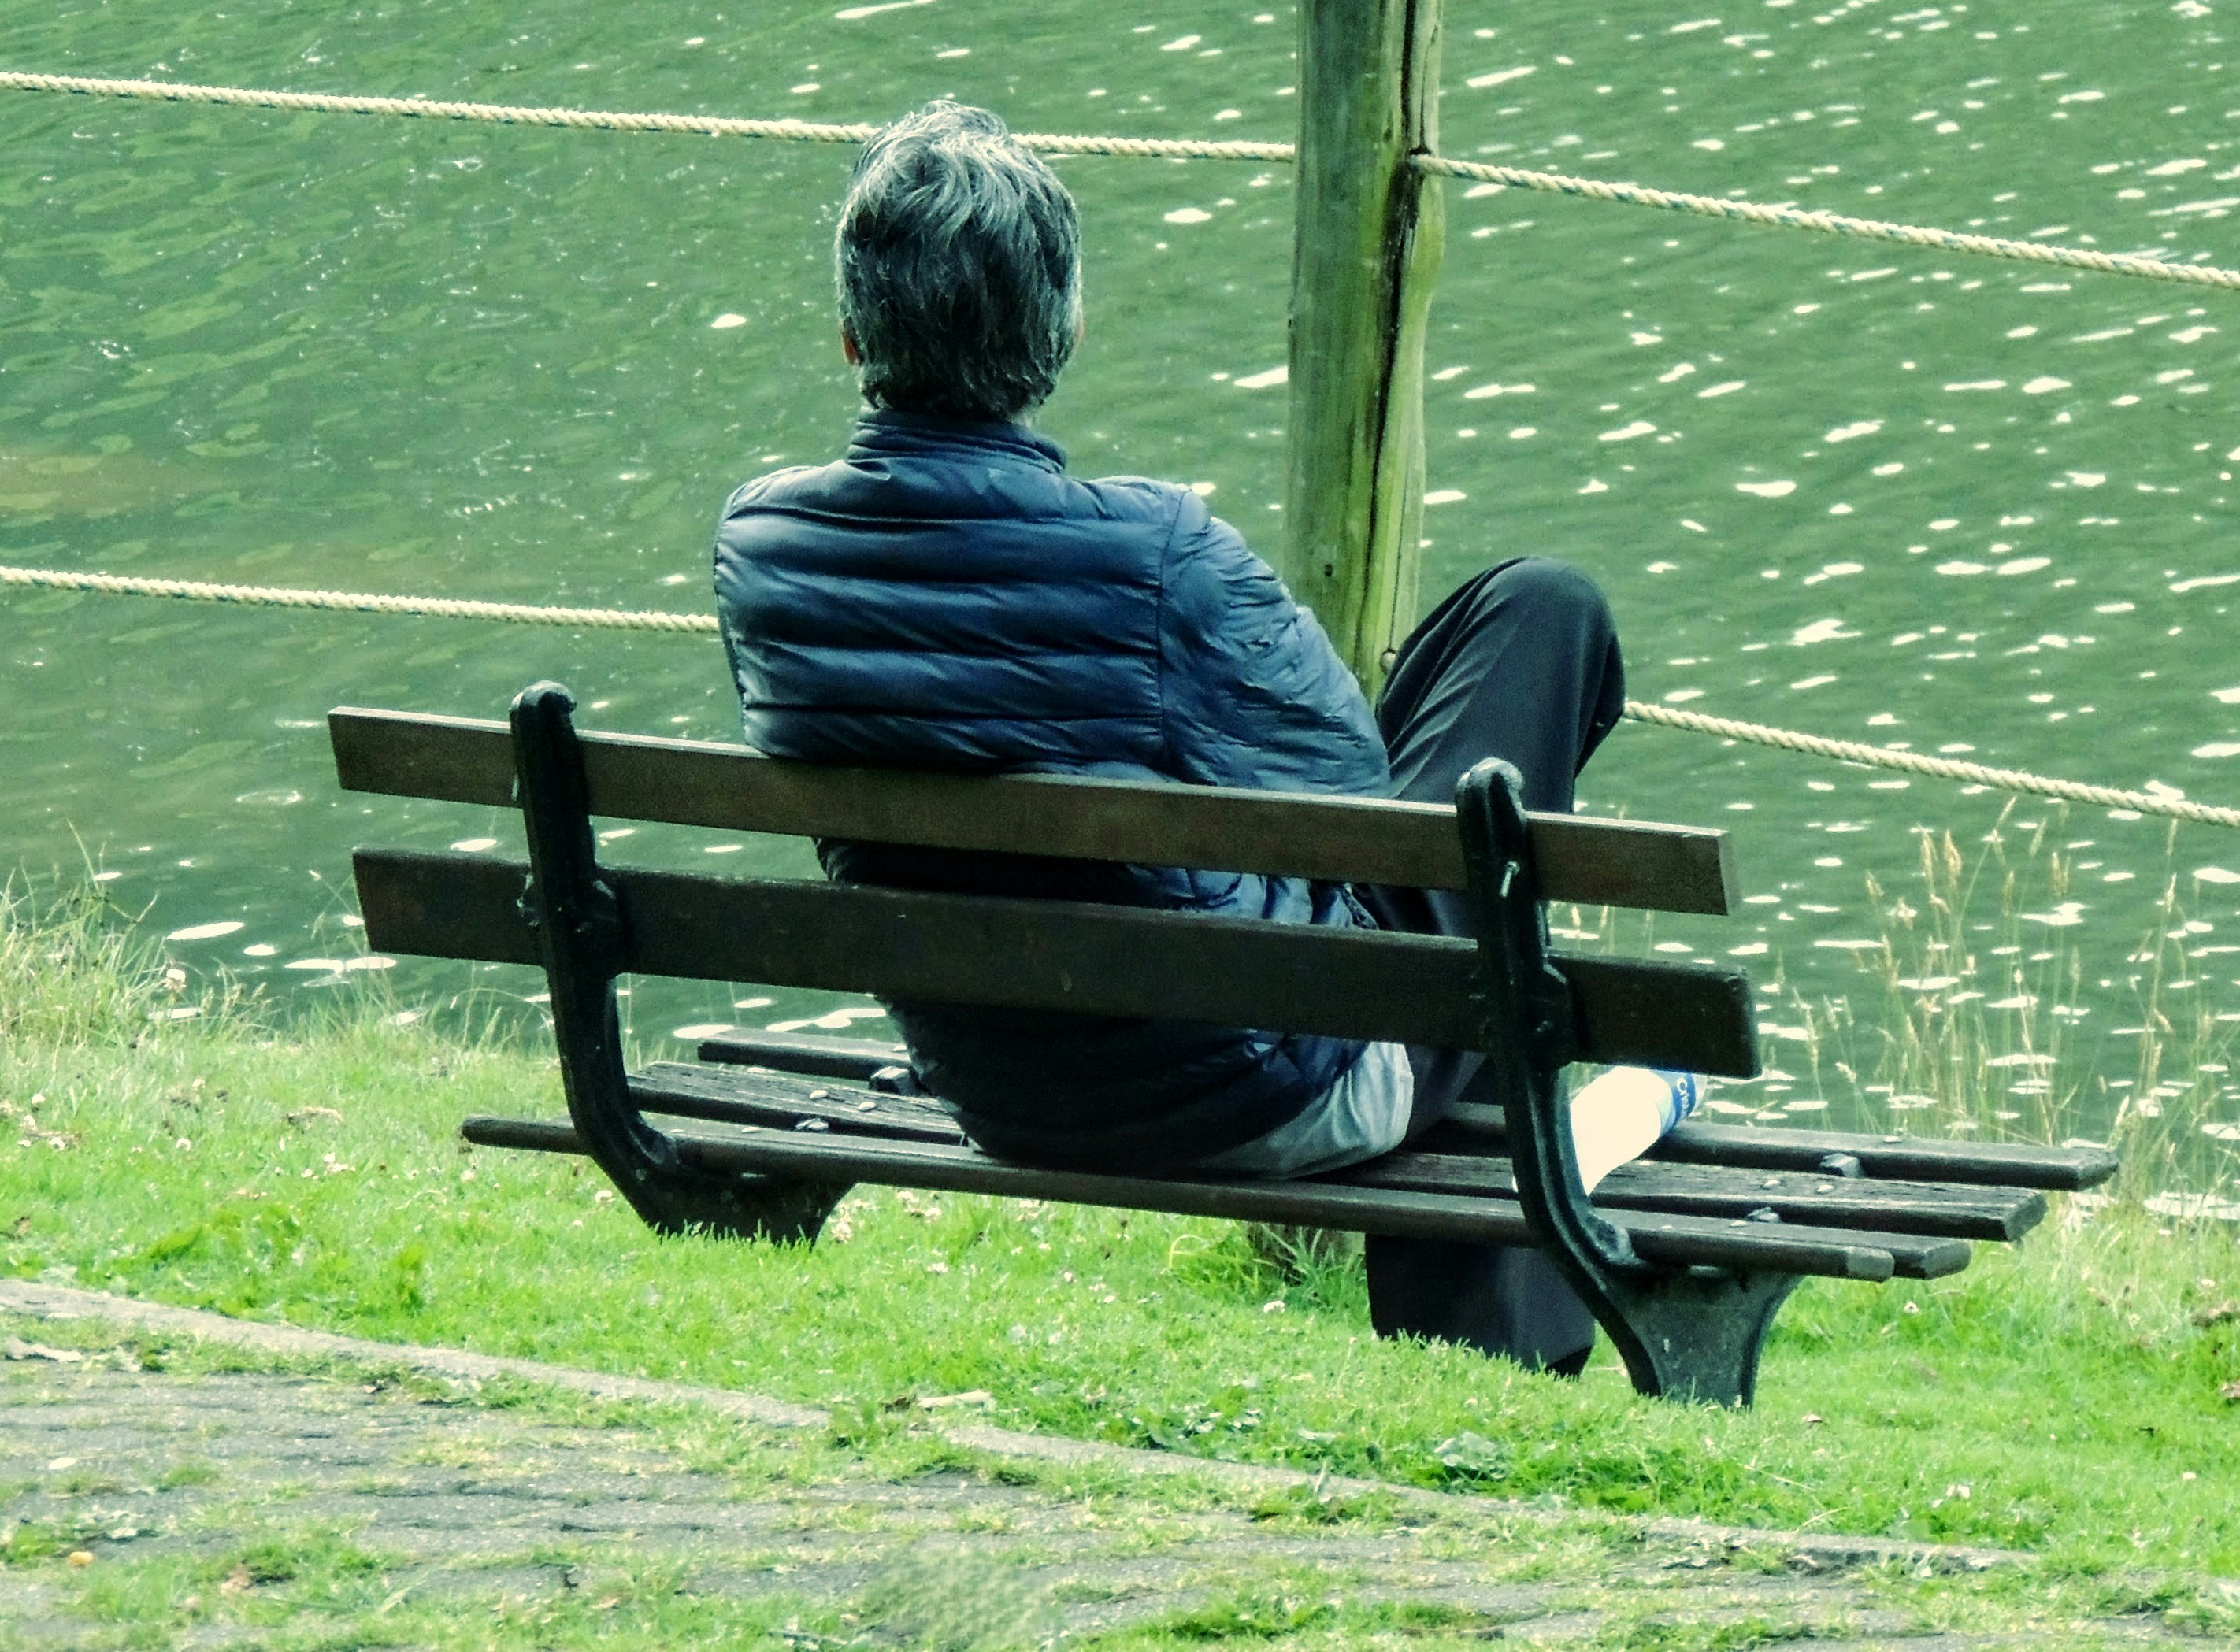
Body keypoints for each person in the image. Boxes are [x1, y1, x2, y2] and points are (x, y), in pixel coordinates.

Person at [713, 99, 1671, 1372]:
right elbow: (1353, 791)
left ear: (851, 337)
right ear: (1064, 331)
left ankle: (1505, 1316)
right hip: (1258, 1091)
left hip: (1001, 1084)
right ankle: (1508, 1316)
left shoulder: (764, 551)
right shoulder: (1158, 555)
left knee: (1456, 871)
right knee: (1541, 619)